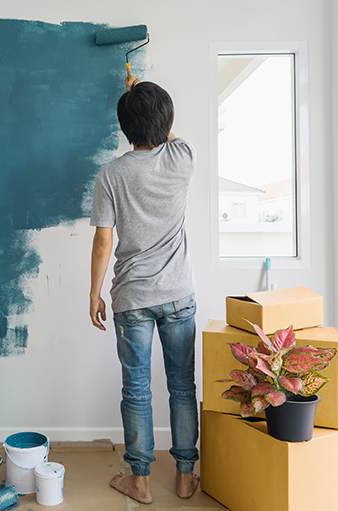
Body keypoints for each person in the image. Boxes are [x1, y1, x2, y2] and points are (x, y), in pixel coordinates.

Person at [89, 66, 199, 504]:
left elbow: (103, 240)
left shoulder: (111, 175)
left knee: (136, 387)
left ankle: (140, 481)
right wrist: (142, 93)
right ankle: (186, 475)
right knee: (183, 386)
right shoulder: (182, 157)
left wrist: (94, 292)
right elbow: (170, 133)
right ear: (166, 122)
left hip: (131, 298)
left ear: (124, 126)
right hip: (178, 295)